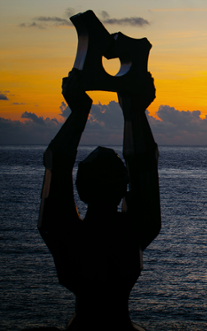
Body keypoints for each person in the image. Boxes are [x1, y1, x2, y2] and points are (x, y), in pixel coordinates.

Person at [38, 68, 161, 330]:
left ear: (81, 189)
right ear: (123, 186)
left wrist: (79, 111)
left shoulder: (67, 236)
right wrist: (134, 112)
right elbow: (144, 164)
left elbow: (56, 162)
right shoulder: (135, 232)